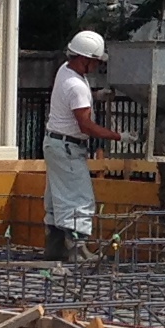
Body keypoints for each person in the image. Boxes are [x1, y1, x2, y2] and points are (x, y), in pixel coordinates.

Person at [43, 29, 109, 260]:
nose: (97, 66)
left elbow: (74, 98)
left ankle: (55, 249)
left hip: (55, 143)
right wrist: (119, 136)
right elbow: (86, 126)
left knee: (57, 197)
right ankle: (77, 251)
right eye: (95, 61)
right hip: (68, 148)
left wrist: (96, 96)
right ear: (84, 59)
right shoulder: (76, 86)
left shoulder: (65, 70)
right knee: (79, 199)